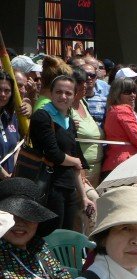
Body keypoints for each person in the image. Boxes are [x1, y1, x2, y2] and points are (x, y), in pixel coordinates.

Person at [28, 75, 93, 232]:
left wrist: (84, 196)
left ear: (74, 96)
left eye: (68, 93)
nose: (63, 96)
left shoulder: (69, 121)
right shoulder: (42, 116)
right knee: (51, 235)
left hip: (68, 188)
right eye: (58, 92)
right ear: (51, 93)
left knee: (67, 234)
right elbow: (54, 154)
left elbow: (76, 160)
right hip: (49, 187)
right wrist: (75, 161)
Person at [102, 77, 137, 176]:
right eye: (127, 92)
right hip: (125, 164)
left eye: (134, 91)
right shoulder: (123, 110)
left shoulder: (112, 110)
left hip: (114, 164)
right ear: (117, 94)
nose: (133, 95)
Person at [70, 67, 103, 188]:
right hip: (79, 171)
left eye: (84, 81)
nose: (84, 85)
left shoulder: (84, 102)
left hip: (96, 168)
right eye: (79, 82)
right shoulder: (67, 108)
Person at [0, 72, 26, 178]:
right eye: (0, 89)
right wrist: (5, 176)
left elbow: (17, 147)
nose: (3, 94)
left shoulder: (11, 116)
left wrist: (13, 173)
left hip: (10, 181)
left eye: (7, 90)